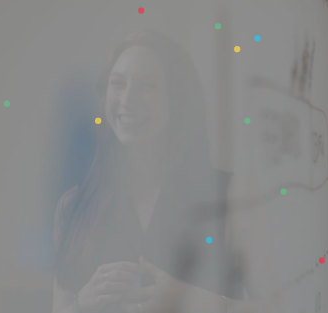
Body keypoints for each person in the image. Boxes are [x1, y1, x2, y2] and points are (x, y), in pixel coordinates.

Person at [51, 29, 271, 313]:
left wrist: (203, 303)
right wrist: (83, 303)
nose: (127, 99)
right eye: (117, 83)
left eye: (147, 86)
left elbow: (280, 306)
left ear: (178, 101)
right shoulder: (72, 207)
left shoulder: (234, 197)